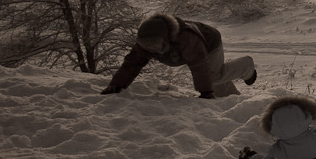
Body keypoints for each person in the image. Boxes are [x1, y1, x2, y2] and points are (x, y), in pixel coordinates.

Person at [102, 13, 256, 99]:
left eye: (158, 46)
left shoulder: (187, 39)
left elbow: (199, 66)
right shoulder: (147, 42)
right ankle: (234, 101)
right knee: (215, 84)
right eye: (150, 48)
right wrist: (117, 84)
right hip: (195, 51)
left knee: (212, 76)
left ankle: (246, 67)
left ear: (167, 37)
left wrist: (205, 92)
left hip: (209, 44)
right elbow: (132, 64)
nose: (155, 51)